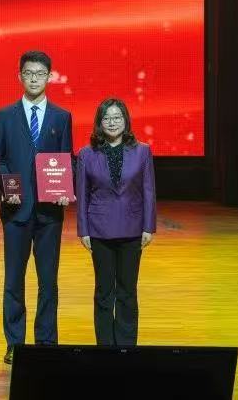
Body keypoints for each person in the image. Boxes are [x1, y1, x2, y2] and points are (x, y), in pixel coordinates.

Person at [0, 50, 74, 364]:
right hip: (16, 211)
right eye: (29, 73)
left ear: (49, 76)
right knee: (14, 280)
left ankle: (46, 342)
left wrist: (65, 188)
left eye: (40, 73)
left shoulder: (62, 117)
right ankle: (15, 343)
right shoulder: (4, 116)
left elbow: (66, 160)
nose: (34, 78)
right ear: (20, 76)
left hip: (49, 213)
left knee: (48, 281)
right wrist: (6, 185)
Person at [75, 98, 156, 346]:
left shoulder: (142, 151)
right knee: (103, 292)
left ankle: (126, 346)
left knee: (127, 291)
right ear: (99, 123)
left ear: (125, 121)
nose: (112, 122)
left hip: (132, 229)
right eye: (107, 118)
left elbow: (148, 190)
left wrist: (149, 226)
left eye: (117, 117)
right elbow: (82, 195)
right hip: (99, 231)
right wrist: (83, 230)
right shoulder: (87, 154)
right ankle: (105, 346)